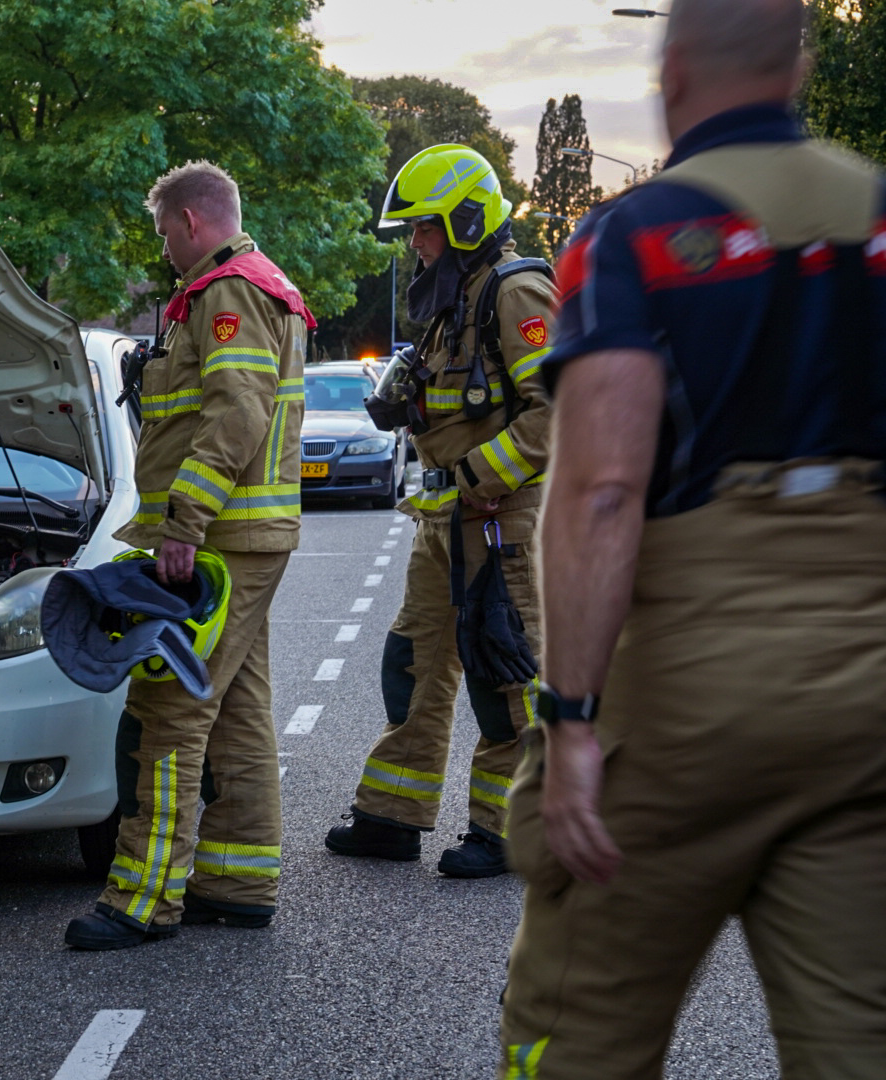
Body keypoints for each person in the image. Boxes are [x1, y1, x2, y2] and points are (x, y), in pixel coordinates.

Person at [498, 0, 886, 1075]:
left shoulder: (631, 238)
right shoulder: (877, 212)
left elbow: (599, 491)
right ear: (798, 63)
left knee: (575, 1028)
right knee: (858, 1036)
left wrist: (571, 723)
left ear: (670, 75)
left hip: (684, 696)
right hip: (863, 692)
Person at [64, 160, 312, 950]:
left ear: (193, 222)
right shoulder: (258, 284)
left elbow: (237, 414)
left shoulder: (227, 292)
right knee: (235, 706)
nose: (163, 247)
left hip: (222, 539)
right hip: (248, 537)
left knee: (168, 711)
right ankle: (237, 881)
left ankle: (143, 899)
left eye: (166, 231)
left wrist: (185, 523)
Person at [326, 145, 558, 878]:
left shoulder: (515, 293)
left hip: (499, 521)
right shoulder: (452, 298)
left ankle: (509, 831)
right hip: (442, 519)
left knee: (503, 673)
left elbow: (560, 407)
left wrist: (482, 476)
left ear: (464, 221)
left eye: (424, 230)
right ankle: (392, 815)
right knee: (415, 663)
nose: (416, 246)